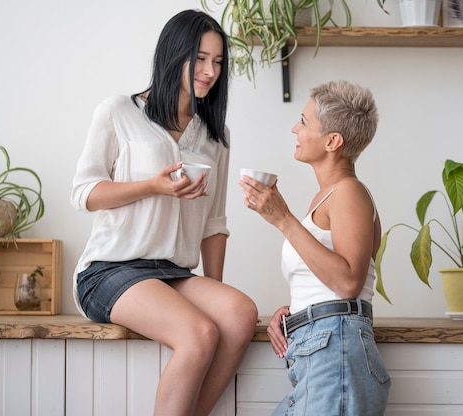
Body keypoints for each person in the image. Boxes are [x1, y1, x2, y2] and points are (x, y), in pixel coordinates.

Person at [70, 10, 258, 416]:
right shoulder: (119, 111)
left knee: (240, 314)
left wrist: (214, 291)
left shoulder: (216, 136)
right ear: (175, 55)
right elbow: (85, 194)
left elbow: (214, 224)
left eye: (219, 61)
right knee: (199, 333)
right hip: (110, 268)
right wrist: (152, 186)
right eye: (201, 58)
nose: (210, 71)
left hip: (172, 273)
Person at [238, 79, 391, 415]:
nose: (295, 128)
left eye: (304, 122)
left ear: (333, 141)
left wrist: (283, 219)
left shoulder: (349, 192)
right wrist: (299, 312)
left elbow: (349, 282)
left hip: (335, 349)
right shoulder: (326, 198)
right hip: (320, 346)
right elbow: (328, 280)